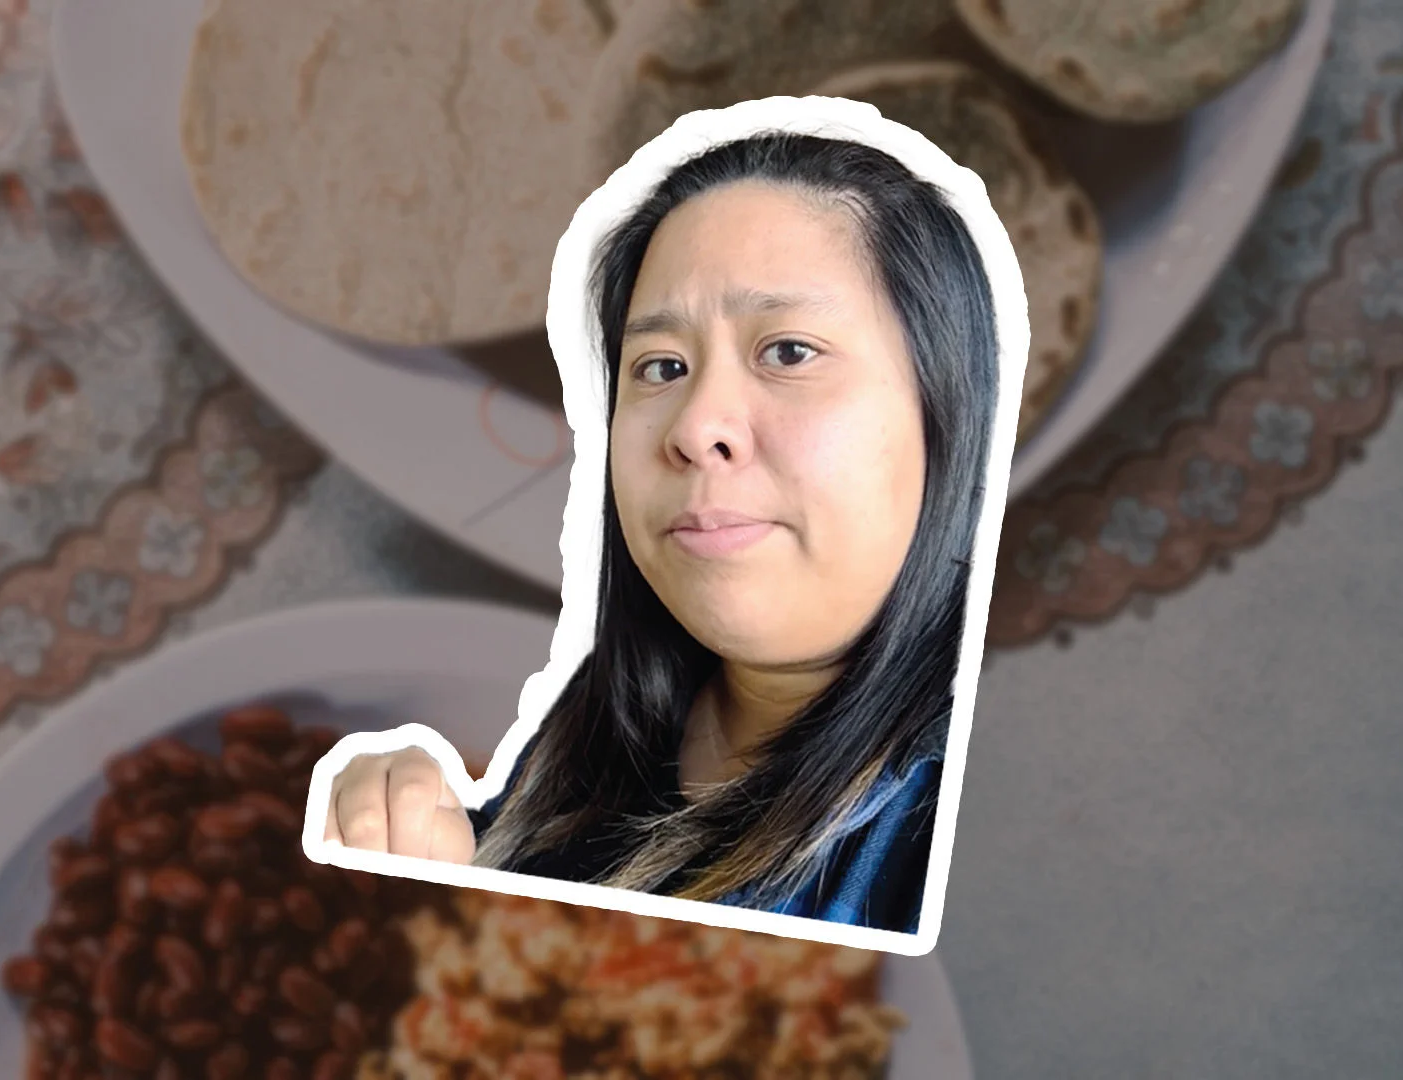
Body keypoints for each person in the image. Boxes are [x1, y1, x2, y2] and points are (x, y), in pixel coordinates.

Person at [322, 128, 1000, 932]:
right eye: (662, 368)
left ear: (946, 405)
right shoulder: (609, 722)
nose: (697, 426)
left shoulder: (961, 835)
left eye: (788, 351)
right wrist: (417, 842)